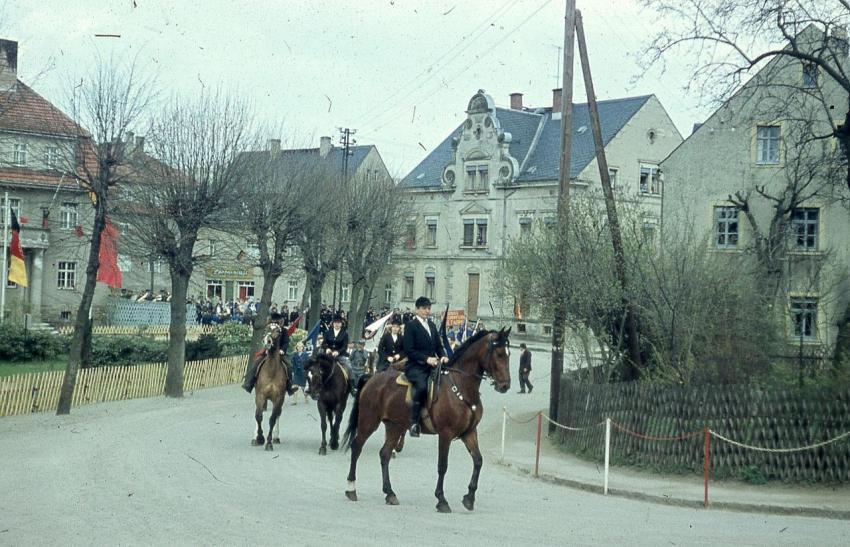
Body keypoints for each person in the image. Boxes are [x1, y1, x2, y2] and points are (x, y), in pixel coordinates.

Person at [402, 296, 448, 437]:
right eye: (424, 308)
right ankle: (414, 422)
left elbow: (438, 346)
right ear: (417, 309)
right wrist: (426, 359)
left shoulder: (432, 325)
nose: (427, 311)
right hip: (416, 366)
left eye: (428, 308)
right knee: (422, 387)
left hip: (433, 365)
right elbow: (409, 350)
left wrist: (443, 356)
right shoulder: (411, 326)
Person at [242, 312, 295, 394]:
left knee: (289, 366)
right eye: (273, 321)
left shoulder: (284, 331)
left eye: (276, 321)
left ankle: (290, 387)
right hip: (268, 352)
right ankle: (249, 383)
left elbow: (286, 342)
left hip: (280, 353)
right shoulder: (267, 329)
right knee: (256, 364)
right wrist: (266, 347)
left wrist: (282, 350)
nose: (274, 322)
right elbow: (264, 339)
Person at [321, 313, 356, 395]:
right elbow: (323, 343)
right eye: (335, 323)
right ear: (333, 323)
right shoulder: (327, 332)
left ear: (341, 324)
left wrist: (338, 352)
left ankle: (352, 387)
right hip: (328, 355)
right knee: (318, 366)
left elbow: (344, 346)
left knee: (349, 367)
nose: (337, 324)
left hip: (340, 355)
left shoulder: (345, 334)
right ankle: (316, 386)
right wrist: (327, 348)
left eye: (338, 323)